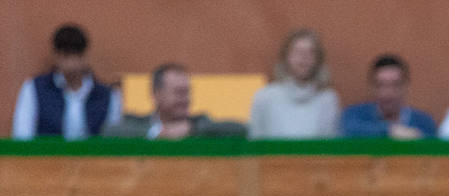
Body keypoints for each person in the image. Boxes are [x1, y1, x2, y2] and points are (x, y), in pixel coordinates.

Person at [11, 23, 122, 140]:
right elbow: (22, 136)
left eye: (76, 54)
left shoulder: (108, 96)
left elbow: (113, 141)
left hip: (92, 158)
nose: (71, 62)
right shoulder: (34, 88)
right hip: (46, 157)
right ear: (56, 56)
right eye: (65, 55)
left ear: (85, 56)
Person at [105, 64, 246, 139]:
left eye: (187, 92)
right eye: (179, 92)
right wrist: (157, 133)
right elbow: (109, 131)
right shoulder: (136, 124)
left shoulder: (199, 123)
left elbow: (241, 129)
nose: (185, 99)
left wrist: (192, 129)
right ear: (156, 95)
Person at [248, 28, 340, 139]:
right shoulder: (265, 97)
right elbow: (255, 142)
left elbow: (329, 146)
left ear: (318, 59)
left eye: (310, 52)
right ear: (285, 57)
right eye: (297, 52)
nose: (304, 57)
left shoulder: (328, 99)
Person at [341, 54, 437, 139]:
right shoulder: (354, 116)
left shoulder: (423, 122)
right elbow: (349, 130)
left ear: (406, 87)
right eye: (381, 85)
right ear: (371, 87)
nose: (388, 93)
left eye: (395, 85)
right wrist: (390, 131)